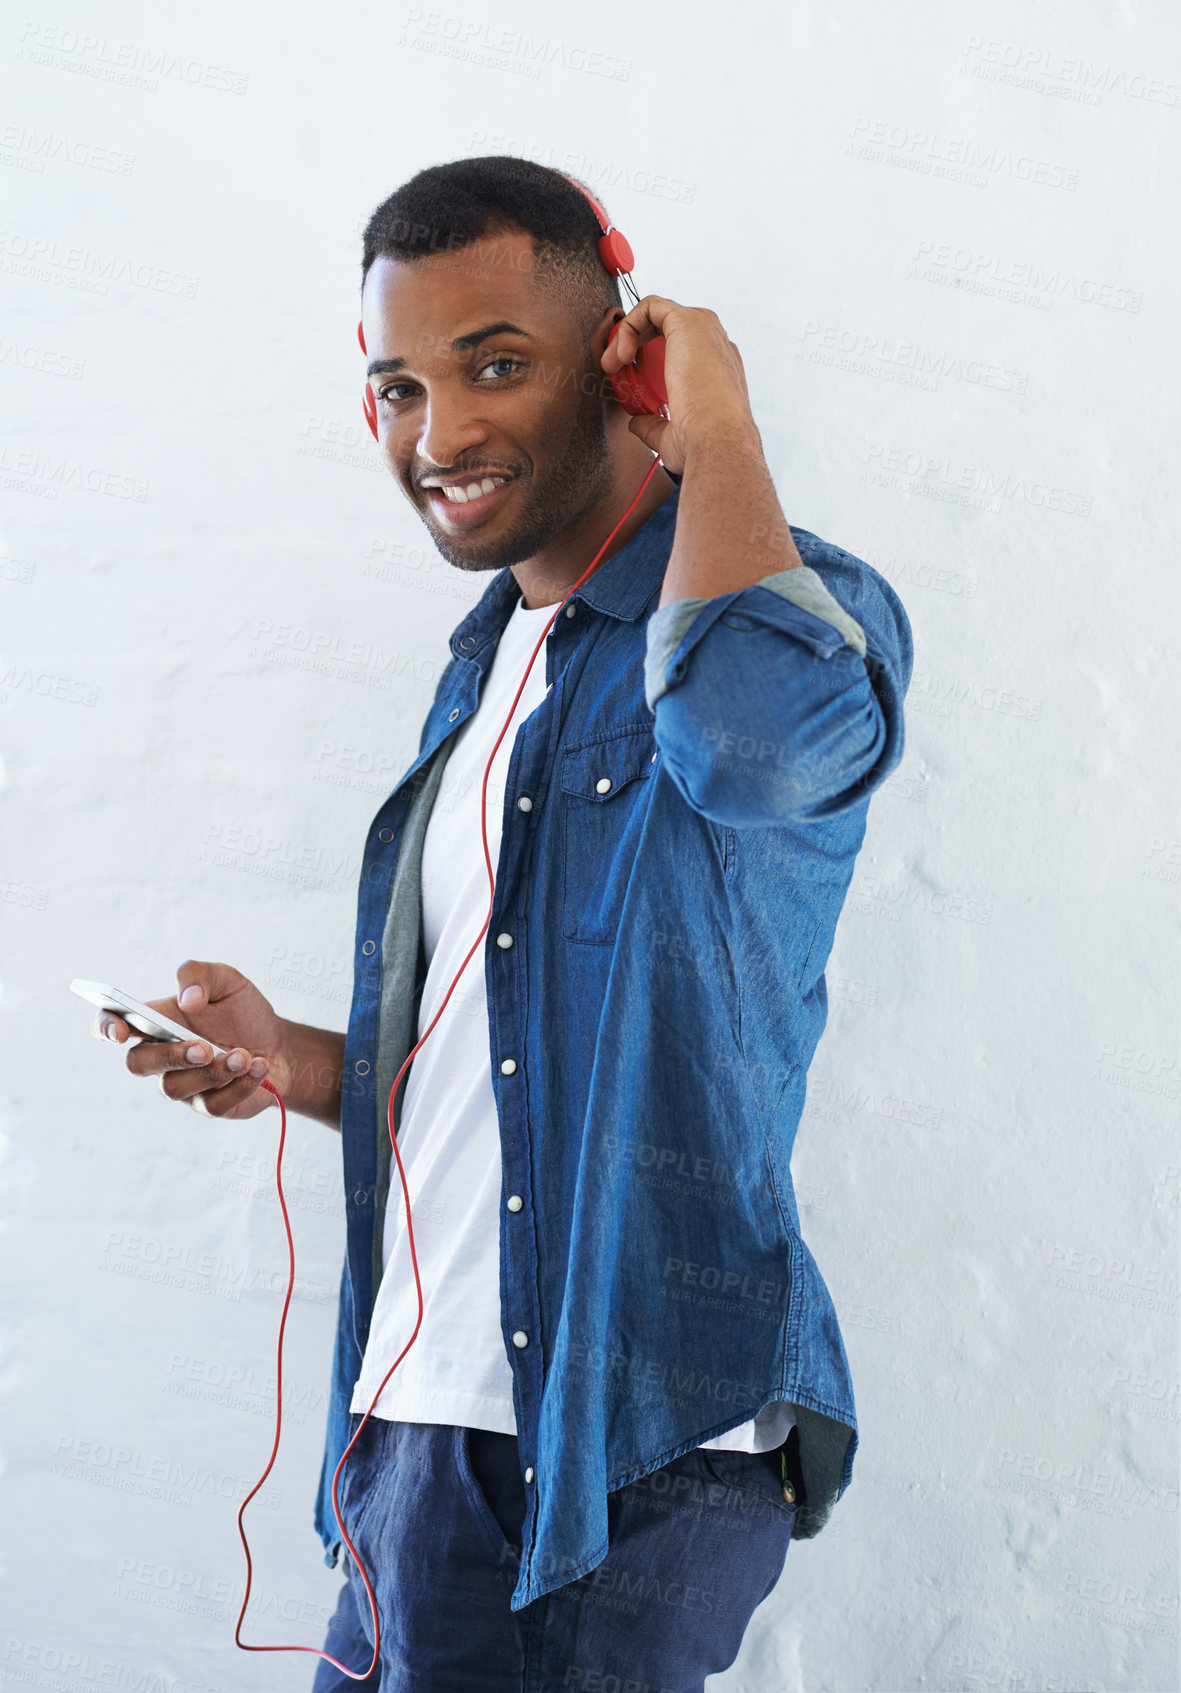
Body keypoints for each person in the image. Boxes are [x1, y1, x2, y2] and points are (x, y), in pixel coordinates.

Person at [93, 156, 912, 1691]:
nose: (441, 429)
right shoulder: (484, 670)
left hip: (603, 1457)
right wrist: (301, 1062)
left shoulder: (787, 611)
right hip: (417, 1429)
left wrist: (719, 423)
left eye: (496, 364)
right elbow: (506, 1057)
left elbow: (750, 749)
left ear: (624, 365)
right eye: (400, 383)